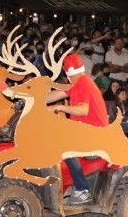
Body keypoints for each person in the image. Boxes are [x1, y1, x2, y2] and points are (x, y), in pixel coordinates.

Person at [46, 54, 109, 204]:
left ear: (68, 76)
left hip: (94, 135)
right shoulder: (81, 82)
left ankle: (82, 189)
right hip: (88, 132)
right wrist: (34, 99)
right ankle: (70, 183)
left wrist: (60, 107)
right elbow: (56, 95)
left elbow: (83, 110)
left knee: (63, 147)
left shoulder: (82, 84)